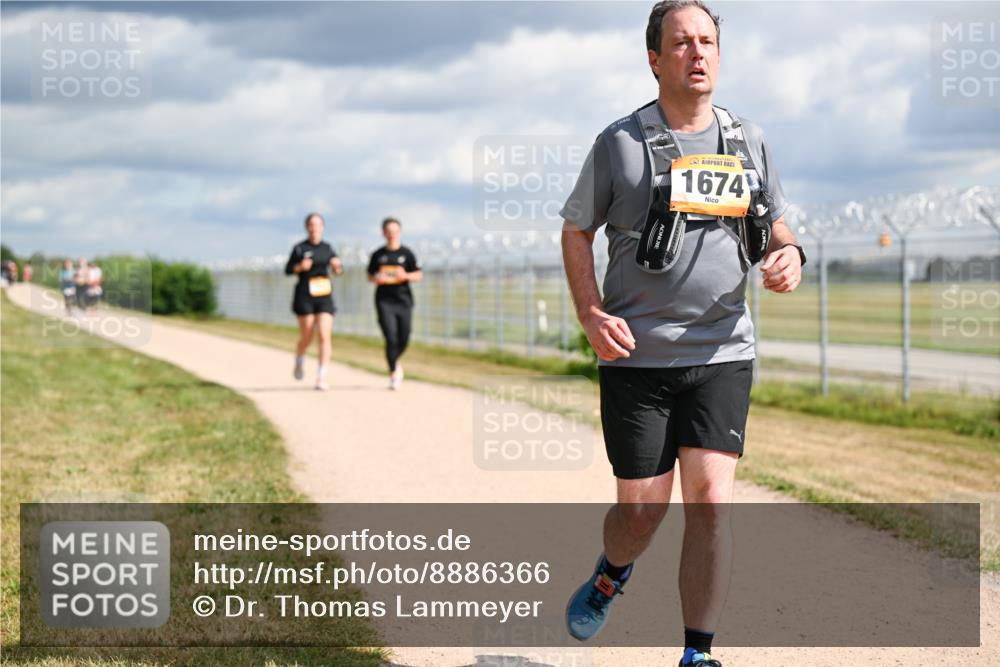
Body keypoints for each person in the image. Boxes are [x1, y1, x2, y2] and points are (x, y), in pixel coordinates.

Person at [560, 3, 805, 666]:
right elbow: (576, 229)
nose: (697, 52)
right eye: (681, 42)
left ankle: (698, 653)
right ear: (654, 57)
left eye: (707, 42)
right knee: (641, 515)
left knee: (712, 506)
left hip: (723, 351)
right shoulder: (620, 143)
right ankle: (612, 571)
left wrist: (790, 254)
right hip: (637, 358)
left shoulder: (748, 140)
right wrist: (589, 312)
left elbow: (775, 223)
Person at [285, 212, 343, 391]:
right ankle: (299, 359)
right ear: (307, 227)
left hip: (324, 295)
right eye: (311, 224)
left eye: (318, 224)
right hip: (305, 295)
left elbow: (339, 271)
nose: (314, 227)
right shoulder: (300, 248)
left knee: (325, 335)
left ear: (322, 227)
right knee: (308, 335)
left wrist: (336, 266)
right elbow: (288, 270)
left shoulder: (327, 248)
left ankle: (321, 376)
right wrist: (299, 267)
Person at [366, 217, 422, 390]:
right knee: (391, 337)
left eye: (395, 231)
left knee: (404, 337)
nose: (392, 235)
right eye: (389, 231)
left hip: (404, 300)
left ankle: (394, 361)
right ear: (384, 233)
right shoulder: (378, 255)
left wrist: (405, 276)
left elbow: (418, 275)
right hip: (384, 301)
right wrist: (377, 278)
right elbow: (369, 275)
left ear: (399, 232)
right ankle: (393, 373)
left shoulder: (407, 253)